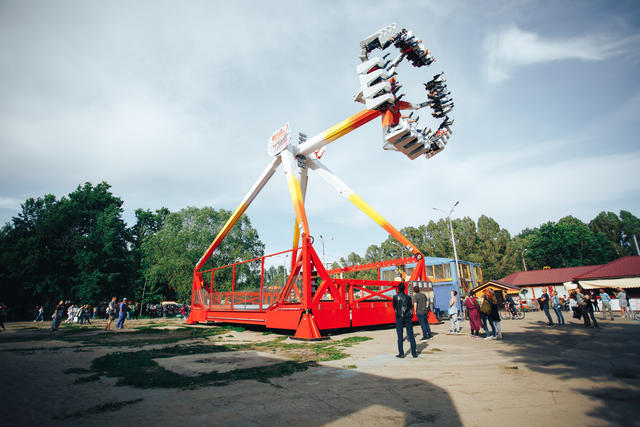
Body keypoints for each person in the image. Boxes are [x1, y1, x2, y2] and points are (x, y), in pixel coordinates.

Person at [392, 282, 417, 358]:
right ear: (404, 288)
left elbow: (394, 307)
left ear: (398, 289)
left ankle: (401, 353)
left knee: (400, 336)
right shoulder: (408, 297)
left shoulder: (395, 297)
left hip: (399, 317)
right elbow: (410, 307)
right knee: (411, 335)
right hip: (408, 317)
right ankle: (414, 353)